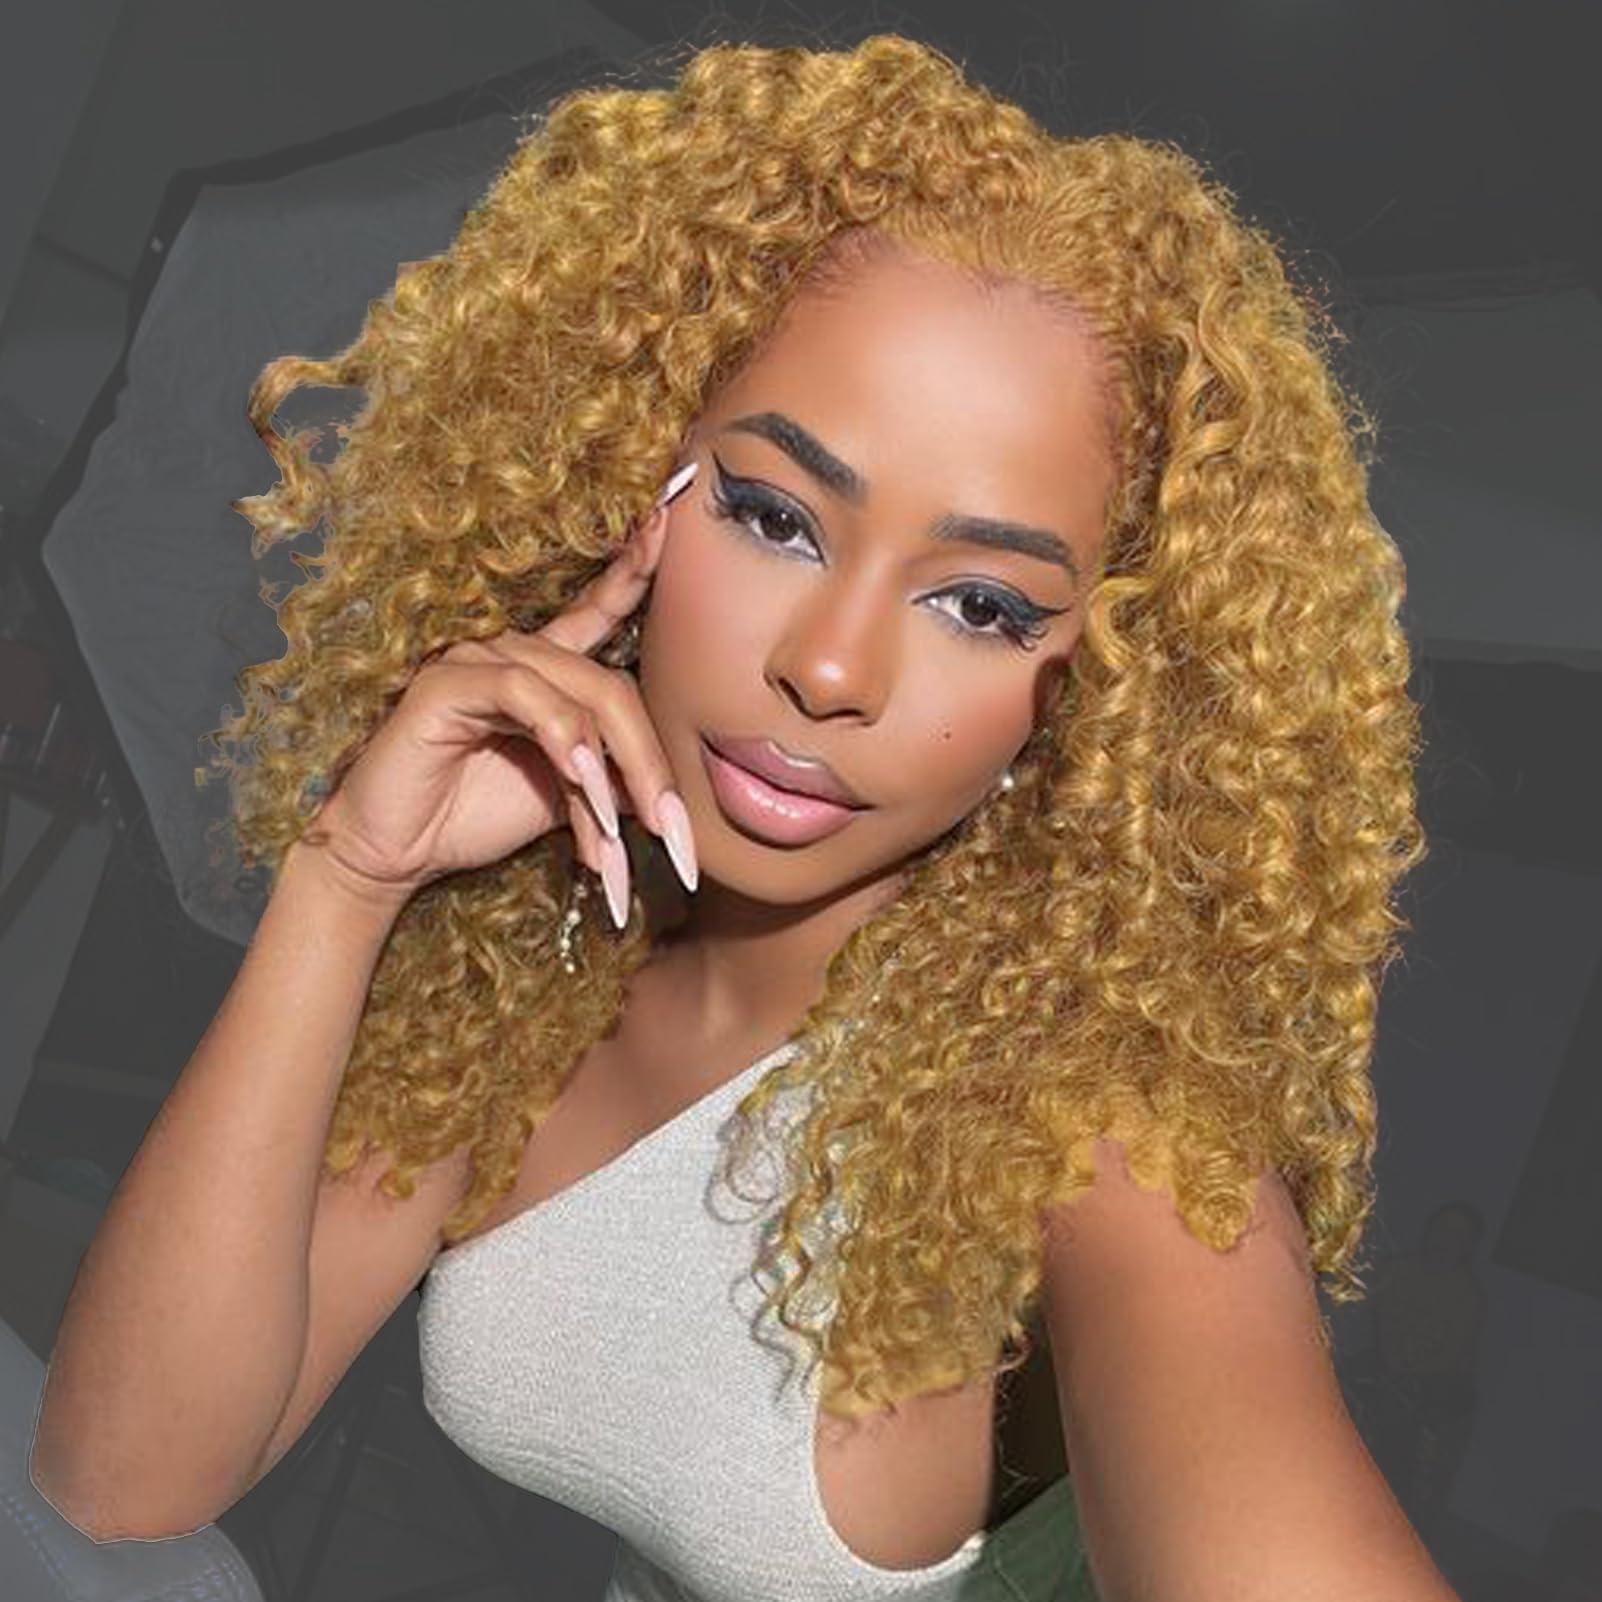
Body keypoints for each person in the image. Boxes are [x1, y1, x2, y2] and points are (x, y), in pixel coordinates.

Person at [29, 32, 1462, 1602]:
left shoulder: (1104, 1132)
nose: (828, 667)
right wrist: (347, 876)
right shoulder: (529, 961)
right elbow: (123, 1474)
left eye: (981, 604)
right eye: (774, 515)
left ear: (1102, 685)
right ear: (629, 483)